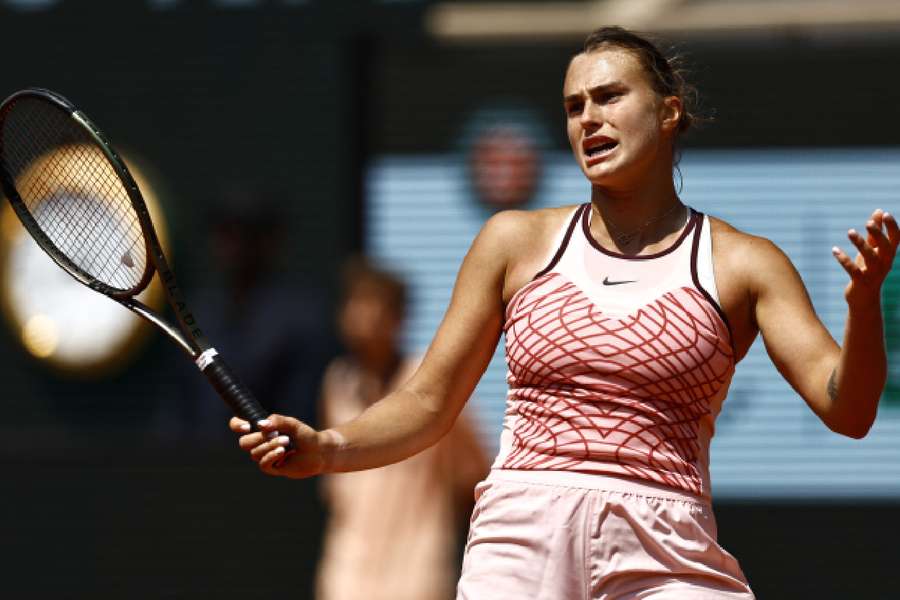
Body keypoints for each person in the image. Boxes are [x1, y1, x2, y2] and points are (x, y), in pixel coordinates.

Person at [230, 26, 898, 599]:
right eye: (574, 106)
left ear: (669, 112)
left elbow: (849, 409)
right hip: (521, 538)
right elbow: (430, 402)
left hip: (666, 544)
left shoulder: (745, 262)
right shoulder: (513, 242)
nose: (588, 118)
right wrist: (328, 447)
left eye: (609, 97)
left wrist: (865, 310)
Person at [314, 258, 488, 600]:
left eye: (376, 303)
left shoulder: (432, 388)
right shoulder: (335, 382)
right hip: (346, 568)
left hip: (418, 570)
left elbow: (474, 474)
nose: (365, 315)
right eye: (356, 302)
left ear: (399, 316)